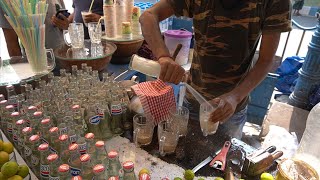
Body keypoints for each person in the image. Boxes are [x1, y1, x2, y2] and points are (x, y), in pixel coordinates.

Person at [139, 0, 292, 139]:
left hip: (231, 110)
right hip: (193, 100)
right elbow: (148, 16)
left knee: (226, 163)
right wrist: (163, 56)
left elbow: (266, 60)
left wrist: (234, 97)